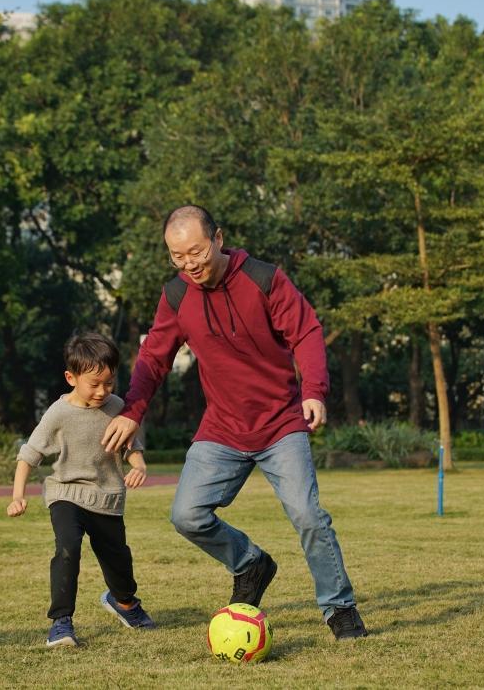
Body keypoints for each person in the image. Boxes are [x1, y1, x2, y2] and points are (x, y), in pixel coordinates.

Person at [102, 205, 367, 641]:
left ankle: (339, 607)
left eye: (196, 252)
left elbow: (306, 331)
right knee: (186, 515)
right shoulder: (177, 295)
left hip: (280, 423)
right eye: (177, 256)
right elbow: (154, 358)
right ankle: (250, 563)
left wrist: (314, 390)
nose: (189, 264)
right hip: (223, 428)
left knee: (307, 515)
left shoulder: (263, 279)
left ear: (219, 239)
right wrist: (132, 411)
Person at [8, 333, 156, 648]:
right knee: (68, 549)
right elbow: (29, 455)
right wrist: (17, 496)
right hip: (65, 494)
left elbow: (132, 447)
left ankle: (124, 602)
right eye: (94, 384)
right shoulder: (58, 413)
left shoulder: (118, 407)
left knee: (118, 560)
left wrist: (139, 467)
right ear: (71, 378)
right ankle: (61, 622)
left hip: (107, 498)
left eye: (109, 383)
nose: (102, 391)